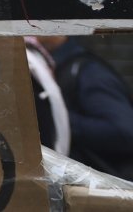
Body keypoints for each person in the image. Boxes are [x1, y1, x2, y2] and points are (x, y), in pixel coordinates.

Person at [41, 35, 133, 178]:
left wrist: (55, 117)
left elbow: (124, 133)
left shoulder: (88, 72)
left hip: (105, 189)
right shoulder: (47, 67)